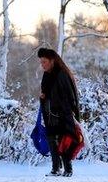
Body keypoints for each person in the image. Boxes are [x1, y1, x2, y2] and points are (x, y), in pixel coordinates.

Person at [38, 47, 81, 177]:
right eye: (41, 62)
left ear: (52, 61)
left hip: (63, 113)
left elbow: (70, 96)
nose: (42, 65)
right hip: (50, 114)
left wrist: (69, 113)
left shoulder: (62, 74)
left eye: (44, 62)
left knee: (64, 140)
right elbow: (46, 92)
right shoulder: (47, 75)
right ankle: (55, 168)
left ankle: (68, 169)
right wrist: (43, 97)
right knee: (51, 139)